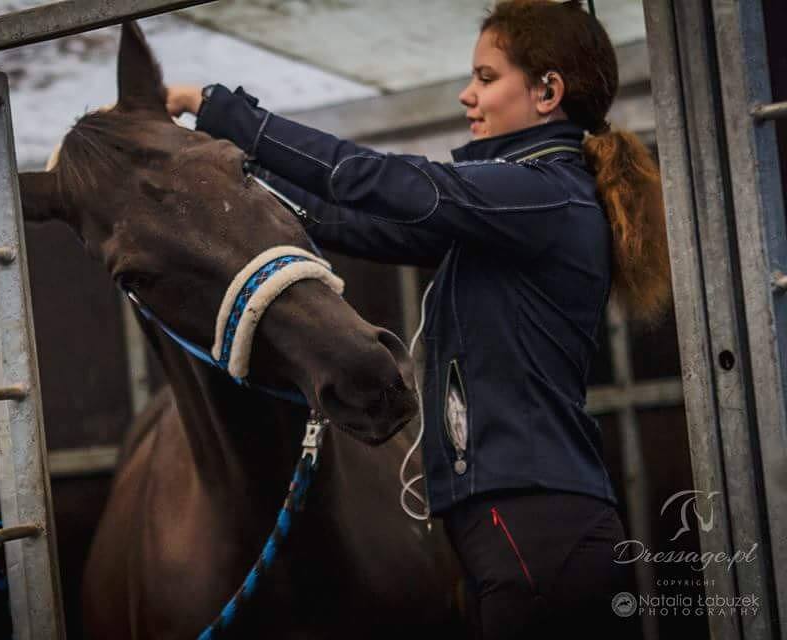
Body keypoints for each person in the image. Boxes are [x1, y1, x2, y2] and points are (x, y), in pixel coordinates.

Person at [166, 0, 670, 637]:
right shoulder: (518, 204)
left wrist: (222, 111)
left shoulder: (542, 193)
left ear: (548, 92)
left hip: (534, 524)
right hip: (522, 524)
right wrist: (233, 166)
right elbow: (347, 219)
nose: (468, 95)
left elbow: (371, 179)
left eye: (487, 78)